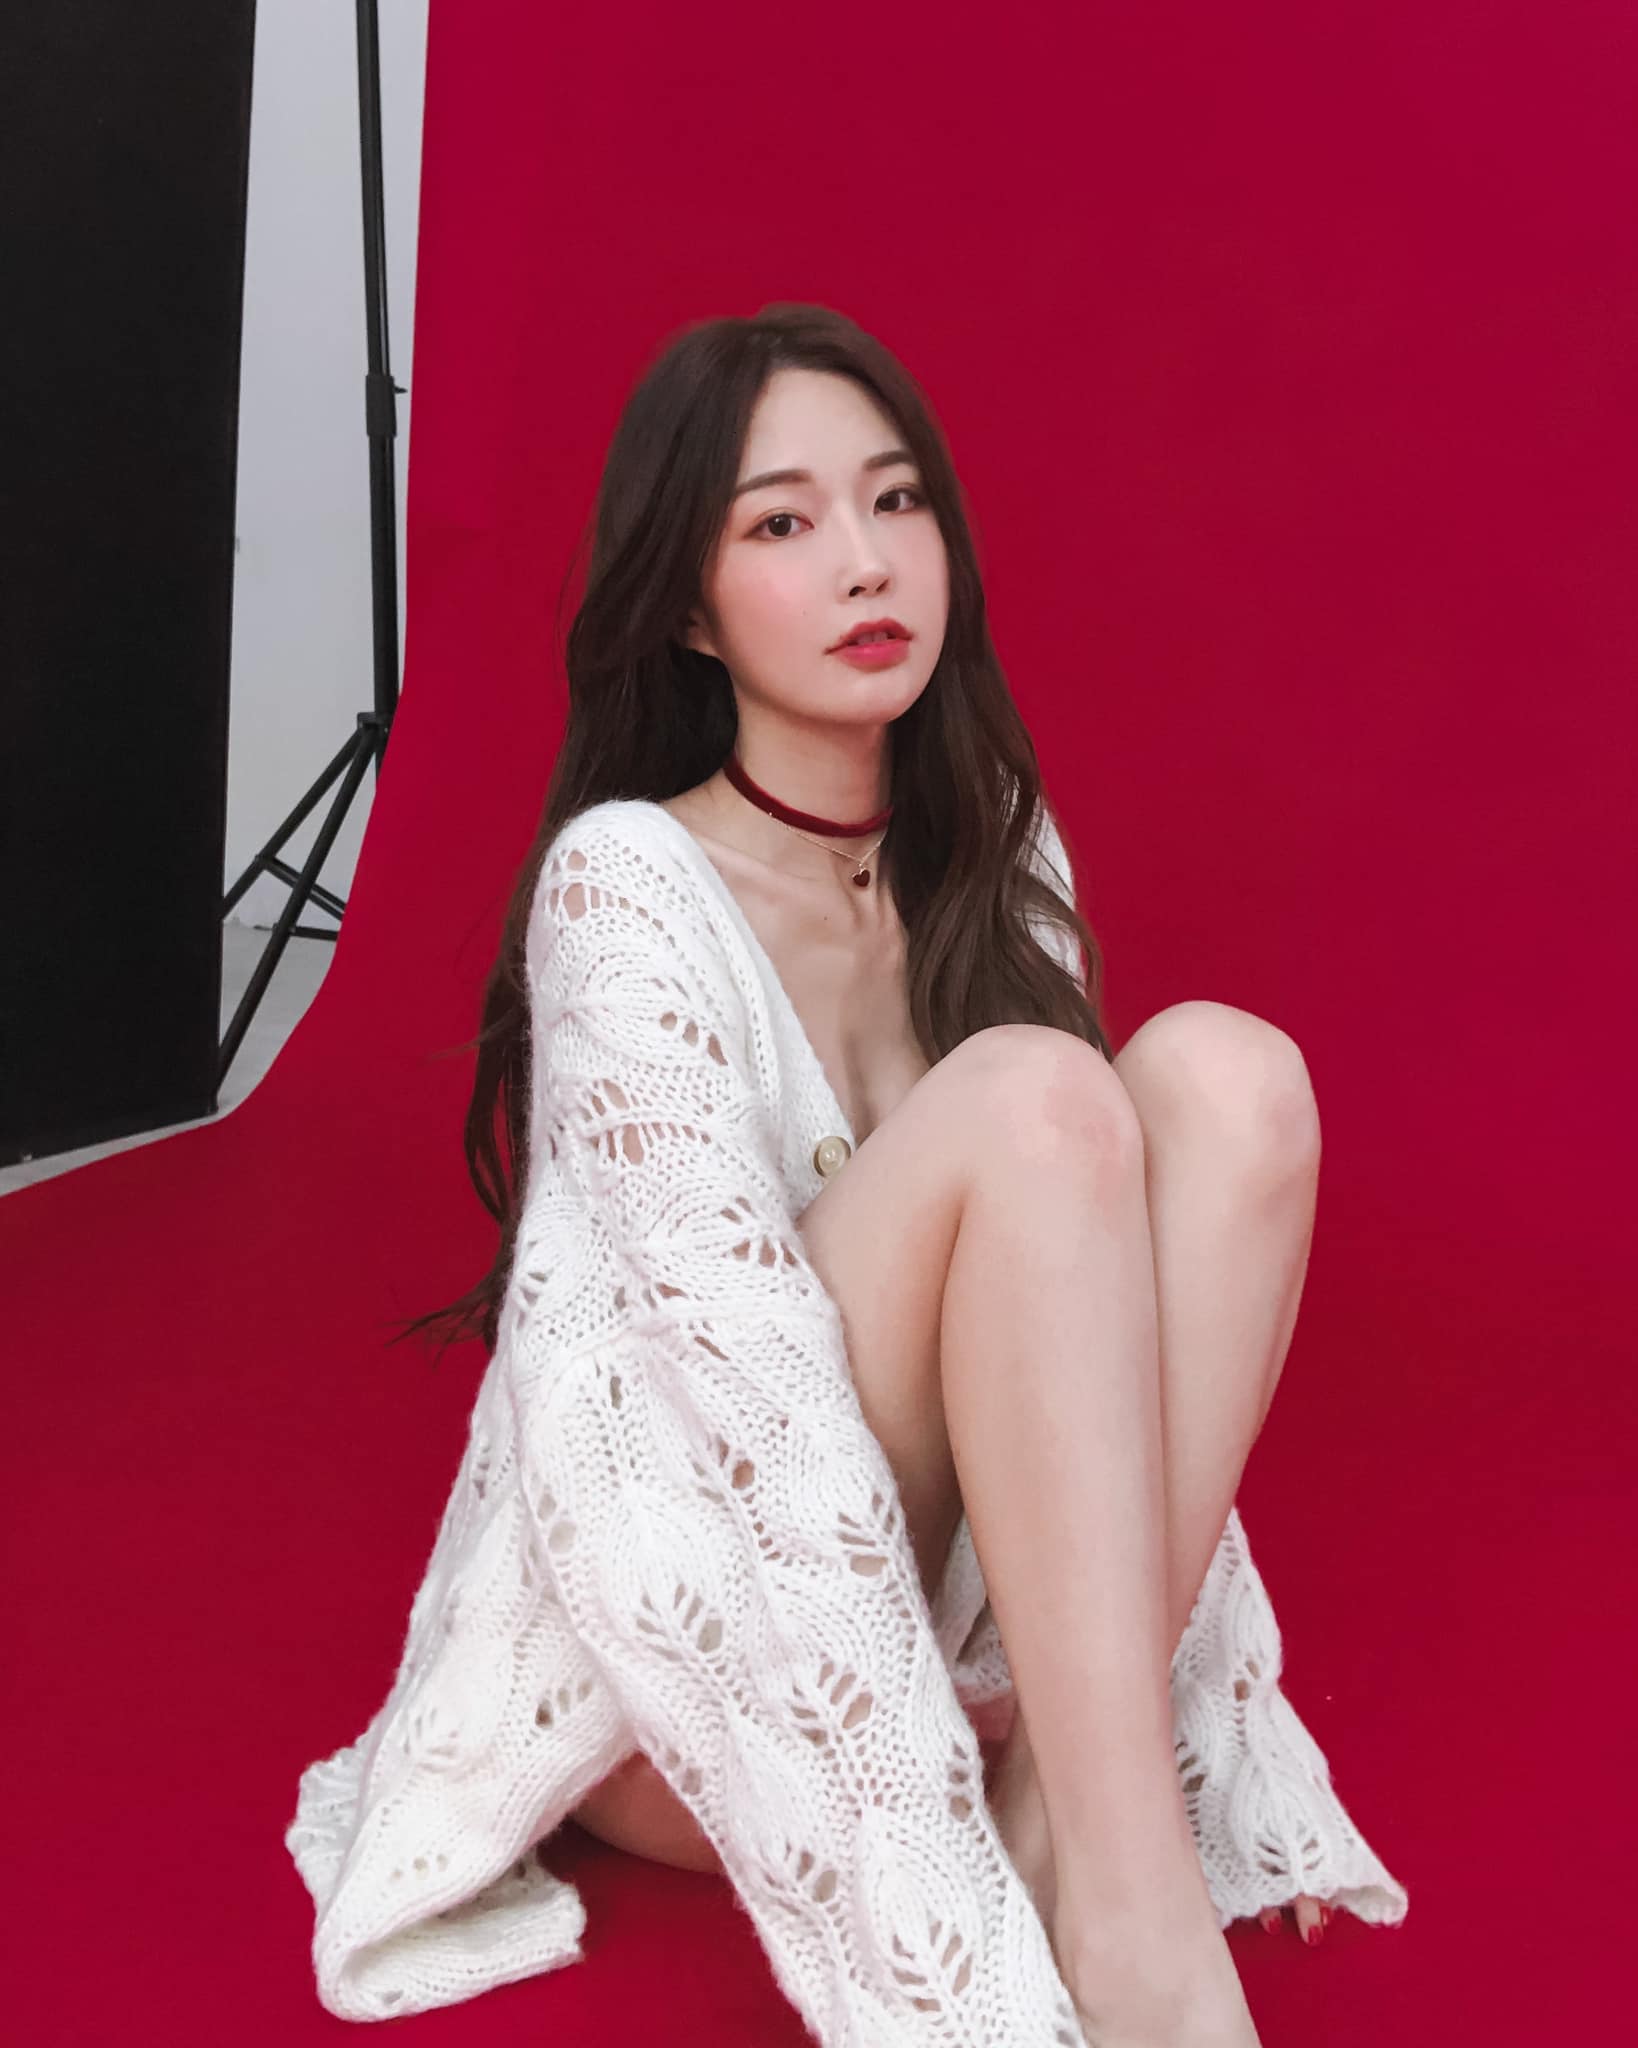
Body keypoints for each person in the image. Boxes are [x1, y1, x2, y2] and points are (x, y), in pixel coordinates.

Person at [289, 303, 1407, 2044]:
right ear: (686, 606)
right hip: (701, 1684)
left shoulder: (991, 840)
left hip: (977, 1665)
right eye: (781, 523)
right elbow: (739, 1411)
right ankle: (1129, 1924)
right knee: (1036, 1097)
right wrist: (925, 1875)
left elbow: (1101, 1335)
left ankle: (1072, 1833)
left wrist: (1114, 1721)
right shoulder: (626, 886)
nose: (865, 563)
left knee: (1230, 1077)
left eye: (896, 502)